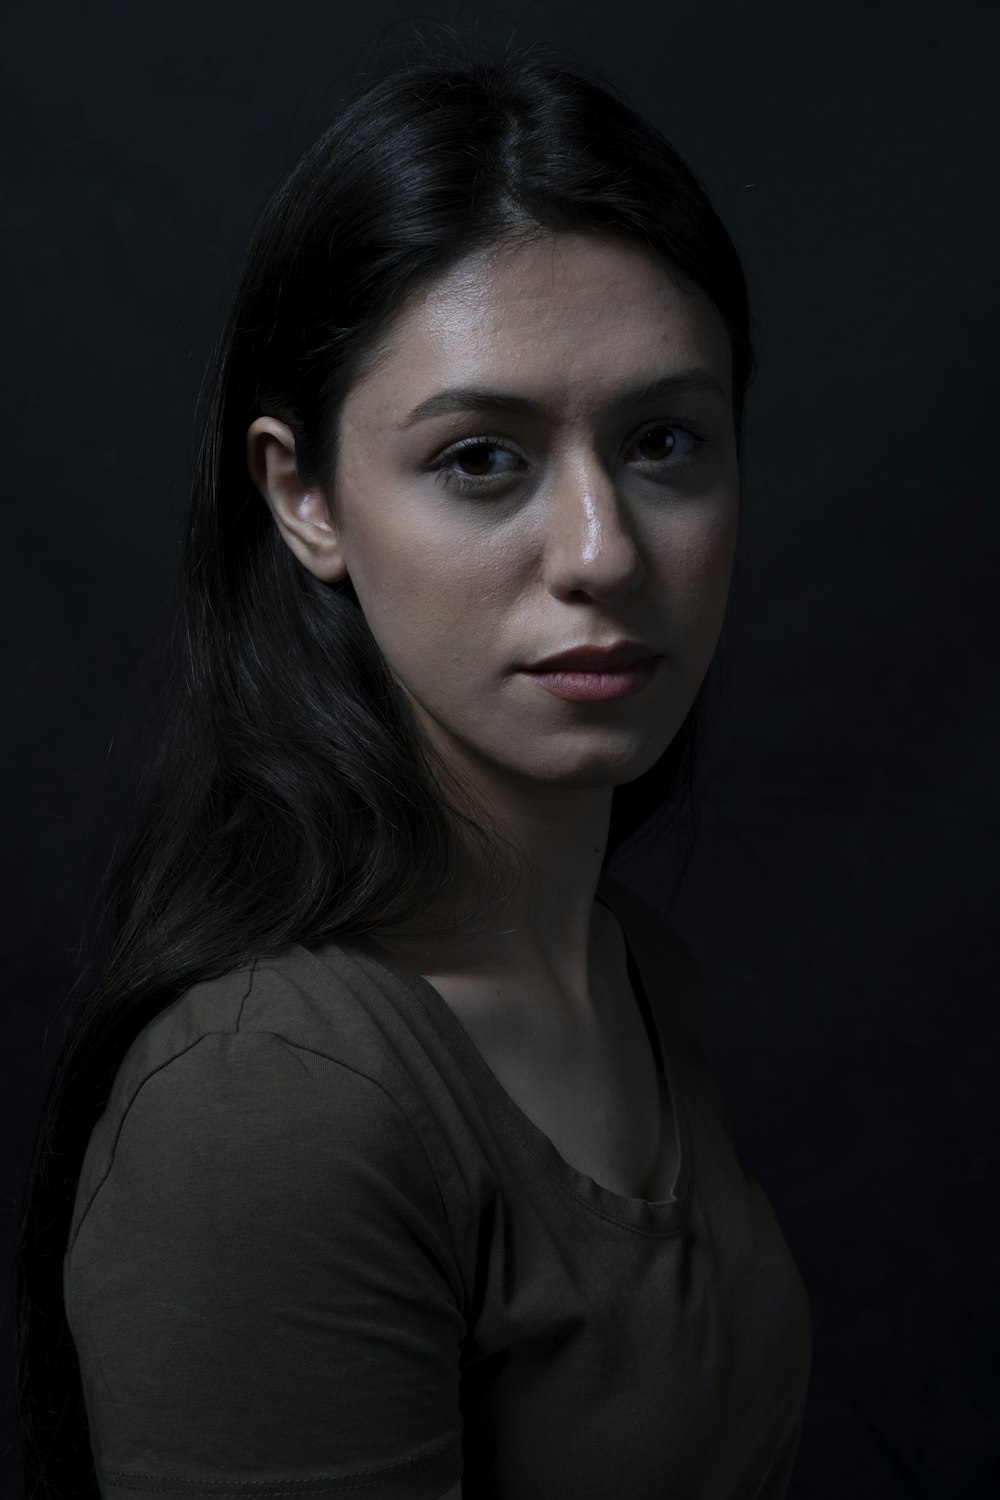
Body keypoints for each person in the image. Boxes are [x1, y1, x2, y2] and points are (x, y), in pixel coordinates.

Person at [14, 38, 813, 1500]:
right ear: (302, 496)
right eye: (481, 460)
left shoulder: (637, 973)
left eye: (664, 442)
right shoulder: (273, 1100)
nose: (602, 553)